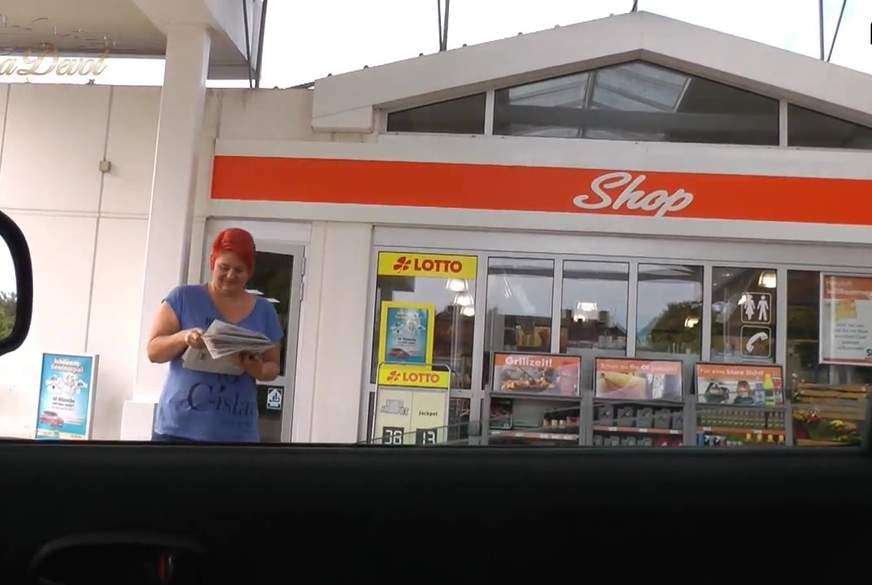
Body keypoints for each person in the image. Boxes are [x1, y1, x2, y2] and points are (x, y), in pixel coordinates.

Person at [146, 228, 283, 442]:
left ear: (250, 272)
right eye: (224, 267)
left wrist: (257, 369)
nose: (230, 276)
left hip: (237, 434)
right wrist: (184, 337)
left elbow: (273, 367)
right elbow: (153, 352)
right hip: (178, 430)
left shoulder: (265, 311)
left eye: (239, 270)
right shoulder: (183, 298)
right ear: (212, 262)